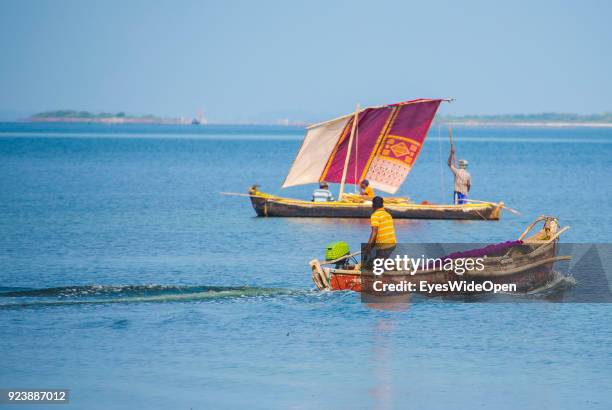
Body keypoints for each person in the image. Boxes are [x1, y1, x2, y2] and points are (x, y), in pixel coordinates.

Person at [364, 196, 397, 264]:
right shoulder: (388, 215)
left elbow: (374, 232)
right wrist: (370, 246)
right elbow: (380, 232)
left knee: (377, 266)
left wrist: (368, 246)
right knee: (378, 261)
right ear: (382, 205)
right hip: (392, 244)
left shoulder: (375, 215)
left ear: (373, 205)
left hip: (384, 246)